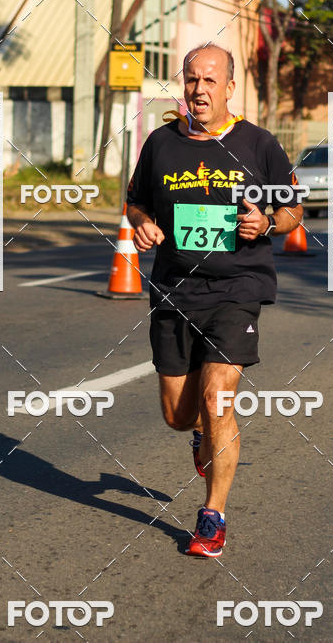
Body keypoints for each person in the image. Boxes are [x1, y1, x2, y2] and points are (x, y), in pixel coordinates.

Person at [126, 43, 303, 557]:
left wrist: (266, 221)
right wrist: (143, 226)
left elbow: (292, 211)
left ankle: (212, 516)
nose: (198, 90)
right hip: (174, 290)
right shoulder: (160, 144)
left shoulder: (258, 144)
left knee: (216, 400)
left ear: (229, 87)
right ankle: (201, 437)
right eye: (190, 80)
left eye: (208, 81)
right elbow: (136, 201)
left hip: (236, 289)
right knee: (179, 416)